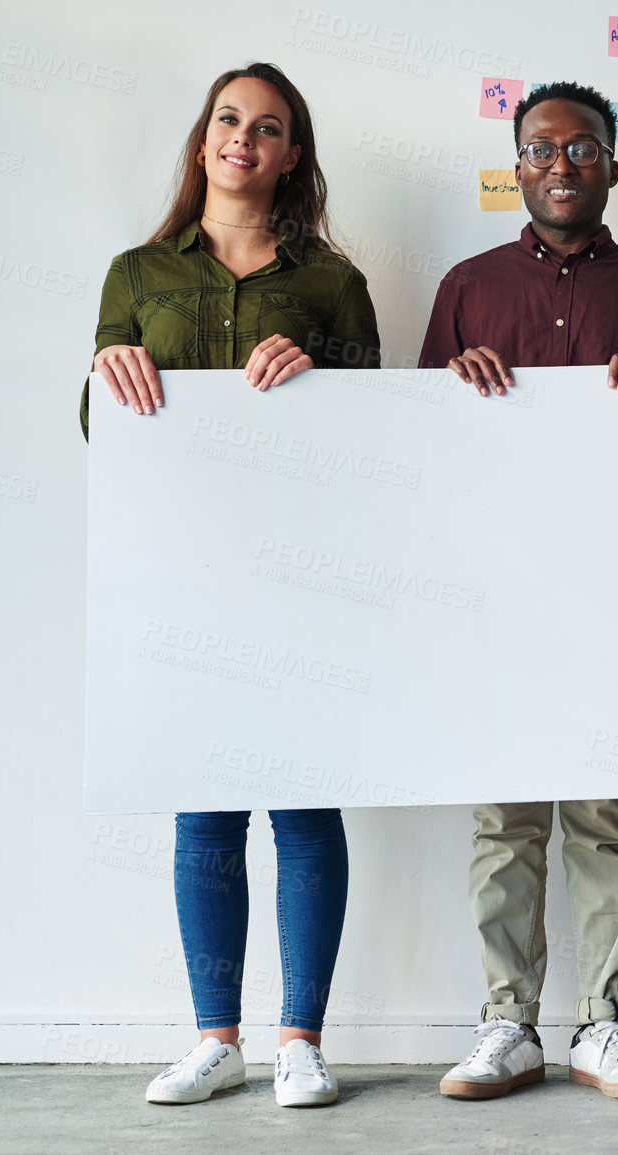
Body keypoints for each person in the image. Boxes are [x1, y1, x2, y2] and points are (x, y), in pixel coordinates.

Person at [87, 62, 380, 1108]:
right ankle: (217, 1038)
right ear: (203, 138)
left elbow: (381, 441)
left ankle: (300, 1038)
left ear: (292, 153)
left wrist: (321, 385)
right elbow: (104, 435)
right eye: (227, 121)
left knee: (303, 808)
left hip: (299, 578)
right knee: (204, 815)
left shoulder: (332, 283)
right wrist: (103, 386)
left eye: (266, 128)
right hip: (177, 576)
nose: (241, 140)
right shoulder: (135, 273)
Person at [418, 80, 618, 1102]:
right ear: (517, 166)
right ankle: (508, 1024)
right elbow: (424, 443)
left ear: (612, 166)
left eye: (583, 148)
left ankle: (606, 1023)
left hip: (616, 593)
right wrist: (460, 380)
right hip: (499, 589)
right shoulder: (466, 287)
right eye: (541, 148)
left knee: (604, 813)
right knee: (505, 818)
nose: (561, 165)